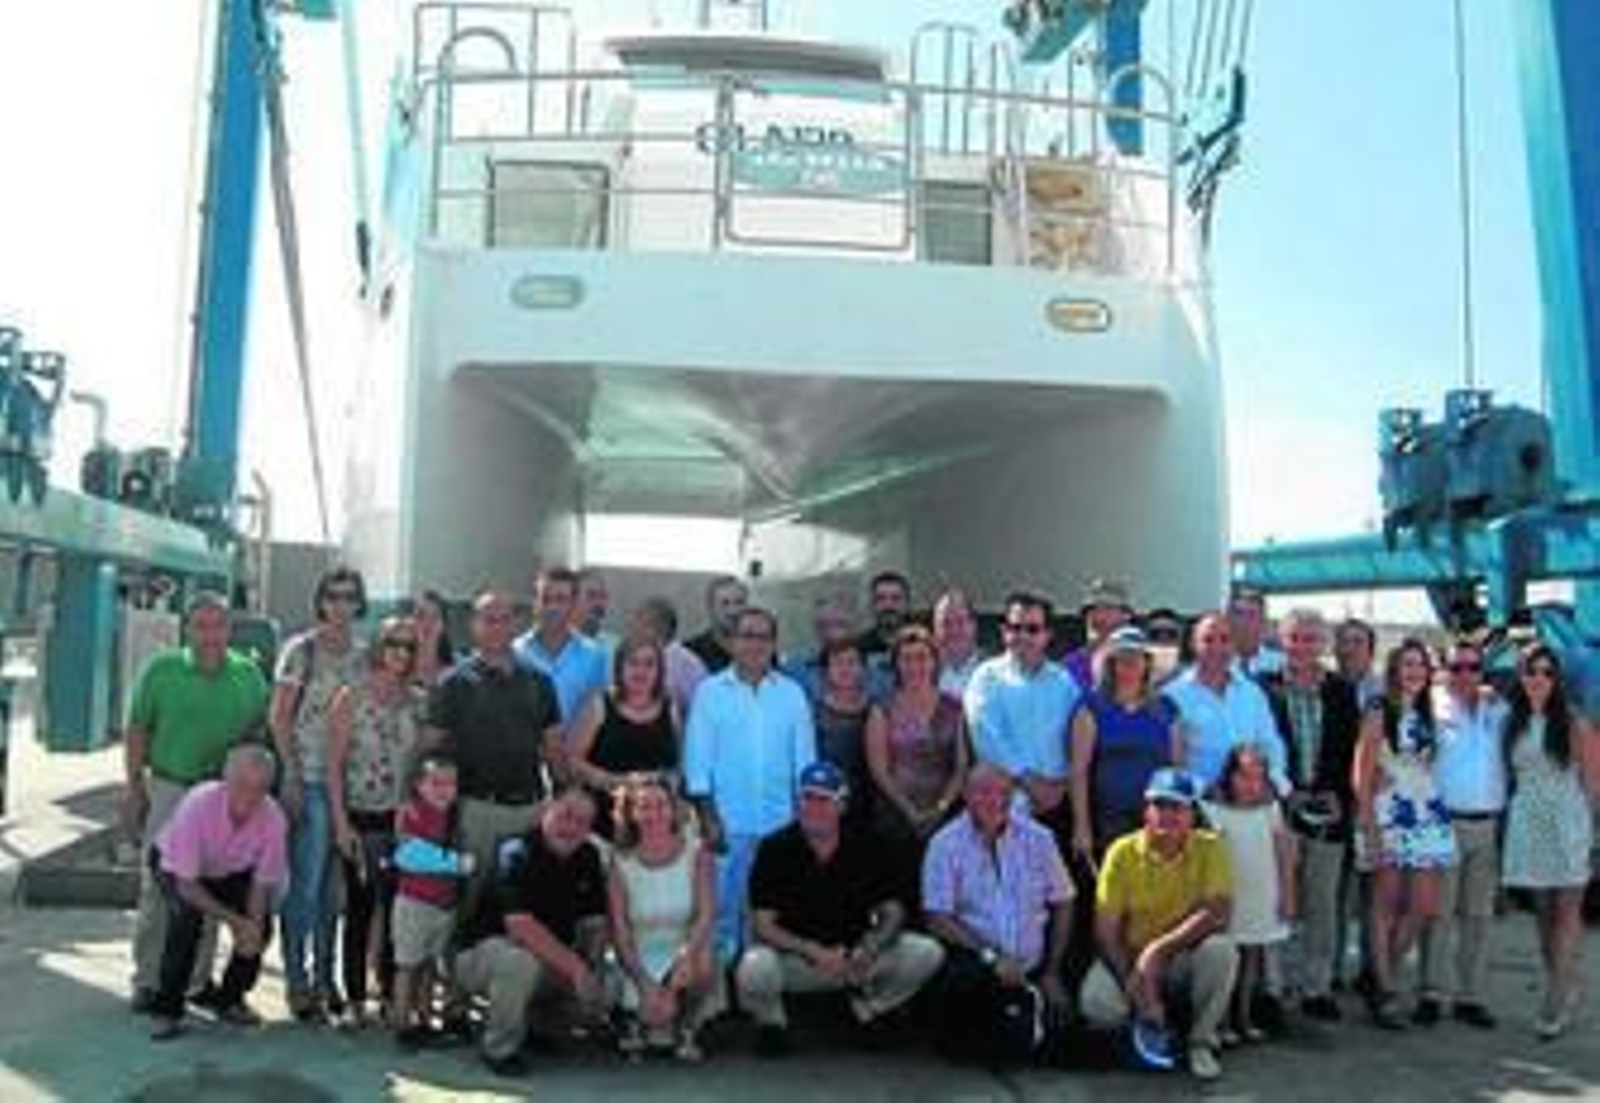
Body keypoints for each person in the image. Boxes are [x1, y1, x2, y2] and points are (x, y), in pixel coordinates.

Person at [123, 592, 269, 1013]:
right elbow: (138, 731)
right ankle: (149, 980)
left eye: (218, 626)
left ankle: (195, 981)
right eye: (201, 626)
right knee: (159, 889)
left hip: (224, 797)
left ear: (230, 629)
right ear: (188, 629)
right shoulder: (161, 671)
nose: (210, 635)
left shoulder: (248, 676)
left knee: (208, 890)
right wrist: (134, 788)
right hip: (170, 788)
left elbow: (260, 733)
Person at [737, 761, 944, 1056]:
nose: (814, 807)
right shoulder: (775, 848)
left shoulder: (868, 842)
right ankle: (773, 1024)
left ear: (842, 805)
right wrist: (812, 950)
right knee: (753, 967)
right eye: (807, 798)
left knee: (926, 951)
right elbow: (762, 924)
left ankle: (868, 1010)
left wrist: (870, 946)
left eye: (824, 799)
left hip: (856, 961)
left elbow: (893, 910)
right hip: (800, 962)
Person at [1079, 767, 1236, 1082]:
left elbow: (1218, 912)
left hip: (1181, 958)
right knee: (1095, 1003)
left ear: (1193, 813)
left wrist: (1159, 950)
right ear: (1146, 811)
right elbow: (1105, 932)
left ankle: (1199, 1042)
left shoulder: (1212, 846)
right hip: (1130, 956)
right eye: (1160, 805)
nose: (1168, 814)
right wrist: (1137, 985)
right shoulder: (1121, 852)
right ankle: (1146, 1029)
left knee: (1222, 951)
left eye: (1178, 806)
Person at [684, 606, 816, 957]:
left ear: (774, 644)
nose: (755, 644)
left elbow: (805, 764)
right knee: (723, 916)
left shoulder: (792, 694)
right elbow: (697, 763)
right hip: (727, 825)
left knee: (773, 913)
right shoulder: (709, 692)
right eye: (747, 635)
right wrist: (709, 818)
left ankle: (762, 987)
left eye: (763, 636)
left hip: (780, 826)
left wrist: (803, 823)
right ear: (732, 643)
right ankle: (722, 995)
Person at [922, 765, 1074, 1064]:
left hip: (1034, 968)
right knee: (977, 1046)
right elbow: (937, 918)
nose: (995, 801)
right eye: (984, 792)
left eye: (1003, 793)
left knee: (1065, 1044)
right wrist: (991, 957)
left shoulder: (1040, 839)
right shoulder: (944, 844)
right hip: (980, 966)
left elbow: (1064, 901)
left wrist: (1053, 971)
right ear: (965, 795)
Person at [270, 565, 370, 1023]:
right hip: (309, 780)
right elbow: (280, 717)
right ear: (321, 601)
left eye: (350, 596)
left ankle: (328, 979)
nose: (341, 605)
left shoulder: (365, 656)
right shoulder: (300, 652)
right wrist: (289, 774)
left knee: (335, 892)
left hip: (349, 788)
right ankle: (297, 980)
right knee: (304, 888)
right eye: (333, 595)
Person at [454, 788, 610, 1077]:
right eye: (565, 815)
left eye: (582, 821)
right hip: (484, 956)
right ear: (547, 810)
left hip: (549, 958)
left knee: (609, 982)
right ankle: (499, 1048)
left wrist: (595, 967)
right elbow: (520, 926)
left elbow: (595, 920)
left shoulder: (588, 855)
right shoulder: (516, 850)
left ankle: (542, 1029)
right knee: (520, 962)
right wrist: (578, 969)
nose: (571, 826)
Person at [147, 744, 288, 1041]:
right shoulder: (199, 803)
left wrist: (251, 926)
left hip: (227, 870)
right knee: (186, 922)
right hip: (175, 865)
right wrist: (236, 922)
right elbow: (187, 885)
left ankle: (231, 999)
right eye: (241, 784)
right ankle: (166, 1010)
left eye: (260, 788)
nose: (249, 796)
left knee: (259, 930)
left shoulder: (274, 818)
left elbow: (261, 884)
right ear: (225, 779)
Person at [426, 591, 564, 884]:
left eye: (504, 619)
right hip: (476, 810)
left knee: (525, 895)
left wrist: (562, 800)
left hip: (530, 809)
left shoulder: (540, 681)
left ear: (515, 625)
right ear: (473, 625)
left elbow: (553, 749)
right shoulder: (452, 683)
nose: (497, 627)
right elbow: (431, 748)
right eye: (488, 619)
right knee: (470, 901)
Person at [1352, 638, 1455, 1029]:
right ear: (1393, 670)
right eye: (1406, 664)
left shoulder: (1430, 709)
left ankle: (1378, 975)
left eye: (1420, 665)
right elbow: (1360, 771)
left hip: (1427, 810)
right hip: (1388, 812)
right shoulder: (1379, 711)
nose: (1414, 671)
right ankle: (1386, 989)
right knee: (1386, 903)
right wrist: (1369, 824)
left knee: (1423, 906)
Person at [326, 616, 424, 1024]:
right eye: (393, 643)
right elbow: (334, 764)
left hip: (401, 822)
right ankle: (353, 998)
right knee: (361, 908)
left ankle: (387, 990)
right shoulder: (352, 697)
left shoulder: (418, 701)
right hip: (361, 817)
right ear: (379, 646)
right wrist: (340, 822)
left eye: (407, 646)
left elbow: (421, 765)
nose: (399, 652)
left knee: (396, 910)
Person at [1263, 608, 1360, 1021]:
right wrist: (1286, 795)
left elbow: (1352, 750)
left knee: (1322, 904)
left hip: (1328, 810)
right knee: (1280, 901)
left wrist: (1341, 797)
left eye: (1310, 639)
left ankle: (1317, 987)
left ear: (1323, 644)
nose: (1302, 646)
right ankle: (1277, 986)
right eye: (1295, 638)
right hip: (1282, 809)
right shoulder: (1264, 689)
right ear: (1282, 642)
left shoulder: (1340, 691)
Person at [1500, 643, 1599, 1039]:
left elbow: (1594, 784)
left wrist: (1596, 838)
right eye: (1531, 671)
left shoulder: (1574, 721)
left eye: (1546, 672)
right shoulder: (1512, 721)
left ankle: (1556, 997)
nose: (1538, 679)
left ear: (1557, 680)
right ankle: (1563, 980)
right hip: (1528, 821)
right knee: (1542, 915)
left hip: (1568, 821)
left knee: (1567, 912)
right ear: (1520, 675)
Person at [1415, 638, 1508, 1029]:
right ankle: (1432, 992)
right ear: (1443, 670)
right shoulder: (1431, 709)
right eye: (1457, 668)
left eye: (1473, 668)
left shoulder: (1499, 710)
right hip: (1444, 823)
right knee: (1438, 914)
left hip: (1487, 825)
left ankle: (1470, 995)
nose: (1465, 676)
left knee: (1479, 916)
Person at [608, 775, 720, 1061]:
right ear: (631, 813)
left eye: (661, 805)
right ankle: (637, 1021)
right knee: (646, 1010)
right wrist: (645, 983)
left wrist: (685, 957)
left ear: (673, 809)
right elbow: (620, 932)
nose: (653, 813)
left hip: (686, 945)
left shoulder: (698, 851)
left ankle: (687, 1026)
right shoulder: (619, 860)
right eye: (644, 806)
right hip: (637, 952)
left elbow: (706, 913)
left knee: (704, 961)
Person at [865, 625, 969, 909]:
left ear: (934, 661)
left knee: (944, 897)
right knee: (902, 895)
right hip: (895, 820)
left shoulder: (954, 706)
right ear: (896, 664)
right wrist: (911, 813)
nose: (915, 666)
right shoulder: (881, 708)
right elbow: (879, 768)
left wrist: (940, 808)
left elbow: (961, 765)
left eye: (922, 657)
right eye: (907, 658)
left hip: (945, 820)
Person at [963, 591, 1079, 838]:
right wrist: (1031, 783)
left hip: (1057, 806)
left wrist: (1063, 785)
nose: (1023, 636)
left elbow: (1075, 739)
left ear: (1048, 635)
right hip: (1002, 808)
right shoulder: (986, 677)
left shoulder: (1065, 682)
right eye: (1015, 628)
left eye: (1033, 629)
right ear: (1004, 632)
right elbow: (987, 740)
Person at [1204, 746, 1295, 1044]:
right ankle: (1221, 1022)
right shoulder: (1212, 810)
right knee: (1227, 958)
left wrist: (1287, 893)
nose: (1251, 784)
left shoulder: (1271, 809)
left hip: (1262, 890)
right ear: (1229, 775)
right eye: (1244, 776)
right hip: (1229, 894)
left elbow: (1283, 853)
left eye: (1259, 777)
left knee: (1251, 959)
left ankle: (1244, 1019)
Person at [1069, 626, 1180, 865]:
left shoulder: (1166, 708)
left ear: (1147, 664)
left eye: (1136, 659)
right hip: (1108, 822)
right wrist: (1082, 827)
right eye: (1122, 659)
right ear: (1110, 664)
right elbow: (1078, 772)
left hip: (1156, 820)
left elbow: (1177, 768)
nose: (1129, 667)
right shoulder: (1090, 707)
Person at [390, 754, 474, 1050]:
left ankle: (424, 1020)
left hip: (443, 905)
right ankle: (401, 1022)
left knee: (428, 966)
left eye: (450, 783)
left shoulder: (454, 817)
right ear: (418, 785)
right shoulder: (410, 812)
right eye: (435, 783)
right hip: (414, 903)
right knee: (407, 965)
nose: (443, 789)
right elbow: (409, 854)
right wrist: (456, 863)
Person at [568, 634, 681, 838]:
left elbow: (679, 763)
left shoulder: (670, 707)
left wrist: (665, 781)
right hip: (604, 818)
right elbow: (572, 760)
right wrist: (613, 781)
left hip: (654, 822)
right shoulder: (598, 705)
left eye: (649, 664)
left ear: (660, 670)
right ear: (620, 668)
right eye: (633, 663)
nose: (641, 671)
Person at [1162, 613, 1288, 794]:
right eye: (1208, 640)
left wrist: (1274, 783)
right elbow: (1172, 762)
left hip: (1253, 800)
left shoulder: (1252, 692)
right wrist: (1204, 791)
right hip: (1201, 803)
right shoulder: (1172, 695)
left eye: (1225, 639)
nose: (1217, 647)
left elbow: (1270, 744)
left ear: (1234, 644)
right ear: (1193, 645)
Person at [513, 566, 607, 739]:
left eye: (561, 599)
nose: (552, 607)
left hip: (574, 760)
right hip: (525, 759)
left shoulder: (594, 656)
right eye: (545, 599)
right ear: (535, 603)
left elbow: (598, 713)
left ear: (573, 604)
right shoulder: (515, 653)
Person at [814, 638, 875, 826]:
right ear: (826, 671)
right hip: (828, 804)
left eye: (852, 662)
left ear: (863, 668)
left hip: (872, 806)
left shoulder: (876, 709)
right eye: (838, 662)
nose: (845, 669)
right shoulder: (813, 713)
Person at [629, 596, 707, 721]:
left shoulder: (687, 664)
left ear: (660, 627)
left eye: (640, 623)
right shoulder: (636, 658)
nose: (633, 629)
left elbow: (702, 710)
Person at [1065, 578, 1136, 692]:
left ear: (1126, 615)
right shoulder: (1073, 663)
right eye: (1093, 610)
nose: (1100, 617)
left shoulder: (1141, 661)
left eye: (1108, 608)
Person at [684, 574, 748, 674]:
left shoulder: (759, 649)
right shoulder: (691, 653)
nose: (733, 611)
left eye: (739, 603)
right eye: (725, 604)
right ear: (711, 608)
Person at [931, 588, 984, 700]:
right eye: (946, 623)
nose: (954, 631)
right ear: (935, 629)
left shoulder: (994, 670)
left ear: (973, 625)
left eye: (960, 622)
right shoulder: (921, 671)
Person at [1228, 587, 1284, 680]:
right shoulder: (1216, 663)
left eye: (1252, 614)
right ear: (1228, 620)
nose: (1244, 621)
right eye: (1239, 613)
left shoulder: (1278, 664)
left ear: (1263, 621)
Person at [405, 589, 457, 686]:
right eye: (420, 615)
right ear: (409, 621)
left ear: (443, 625)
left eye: (434, 617)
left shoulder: (455, 678)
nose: (427, 623)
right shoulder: (394, 674)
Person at [861, 570, 913, 659]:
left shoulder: (924, 645)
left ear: (907, 603)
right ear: (872, 604)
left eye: (896, 598)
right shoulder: (861, 647)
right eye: (881, 598)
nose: (888, 605)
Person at [1335, 618, 1384, 709]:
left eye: (1358, 642)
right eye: (1345, 642)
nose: (1350, 648)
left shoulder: (1385, 690)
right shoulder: (1324, 688)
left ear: (1370, 650)